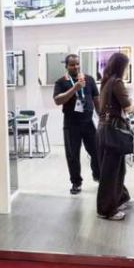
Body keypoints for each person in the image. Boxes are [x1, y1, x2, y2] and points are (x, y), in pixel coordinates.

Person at [97, 53, 134, 221]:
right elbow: (127, 107)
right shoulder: (117, 83)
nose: (127, 70)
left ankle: (120, 198)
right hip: (113, 131)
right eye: (127, 67)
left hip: (105, 129)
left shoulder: (106, 82)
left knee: (117, 169)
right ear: (122, 67)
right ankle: (106, 209)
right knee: (111, 171)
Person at [53, 54, 100, 195]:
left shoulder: (89, 79)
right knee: (73, 155)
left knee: (96, 151)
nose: (76, 67)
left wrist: (102, 117)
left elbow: (96, 99)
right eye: (72, 64)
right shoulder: (61, 82)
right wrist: (75, 88)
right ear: (66, 66)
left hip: (88, 122)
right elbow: (57, 100)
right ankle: (76, 182)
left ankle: (98, 175)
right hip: (71, 124)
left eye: (77, 64)